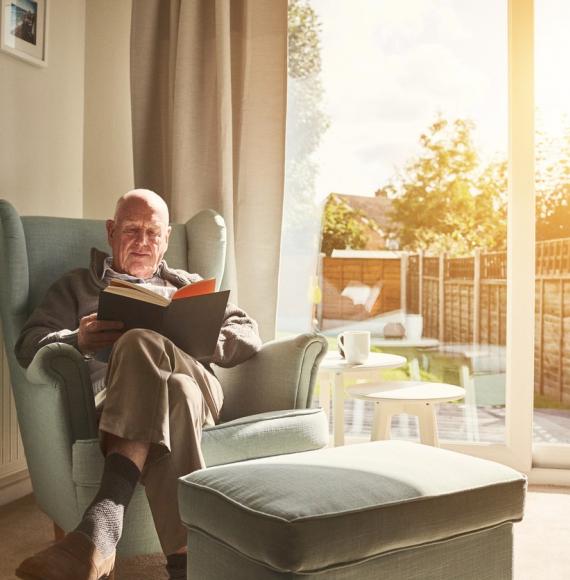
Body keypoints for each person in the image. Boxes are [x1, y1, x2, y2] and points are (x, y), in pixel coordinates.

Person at [14, 189, 262, 580]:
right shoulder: (76, 286)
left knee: (150, 351)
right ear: (112, 232)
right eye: (132, 230)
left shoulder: (188, 284)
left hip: (202, 394)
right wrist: (75, 339)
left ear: (166, 240)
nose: (143, 242)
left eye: (153, 233)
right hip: (118, 402)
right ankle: (187, 566)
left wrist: (207, 338)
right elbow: (28, 345)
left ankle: (102, 525)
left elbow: (248, 331)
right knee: (173, 393)